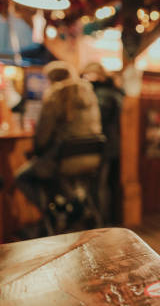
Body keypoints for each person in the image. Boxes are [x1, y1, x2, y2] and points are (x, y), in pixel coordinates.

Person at [15, 61, 102, 227]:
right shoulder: (89, 93)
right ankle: (74, 204)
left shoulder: (55, 95)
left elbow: (42, 135)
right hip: (92, 157)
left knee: (23, 176)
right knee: (60, 178)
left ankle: (52, 214)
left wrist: (37, 150)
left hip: (64, 159)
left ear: (51, 79)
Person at [81, 62, 125, 224]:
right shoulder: (113, 91)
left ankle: (99, 223)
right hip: (110, 144)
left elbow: (99, 118)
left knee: (97, 187)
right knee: (104, 185)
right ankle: (104, 220)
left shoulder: (100, 93)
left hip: (101, 145)